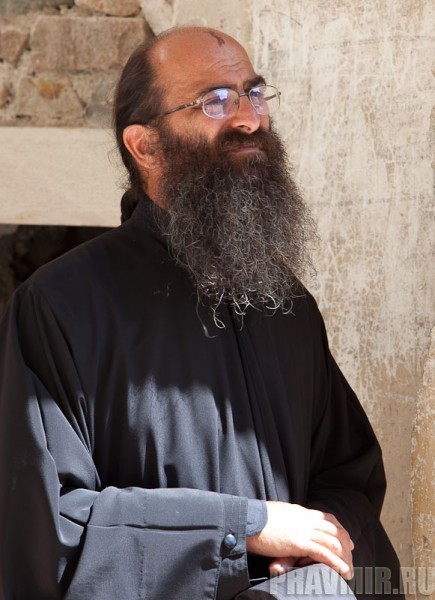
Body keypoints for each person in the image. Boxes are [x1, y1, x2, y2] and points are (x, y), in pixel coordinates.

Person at [0, 26, 403, 600]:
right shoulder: (58, 308)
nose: (250, 119)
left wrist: (312, 544)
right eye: (215, 101)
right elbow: (49, 524)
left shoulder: (286, 303)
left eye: (254, 93)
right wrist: (244, 527)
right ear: (145, 146)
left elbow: (348, 472)